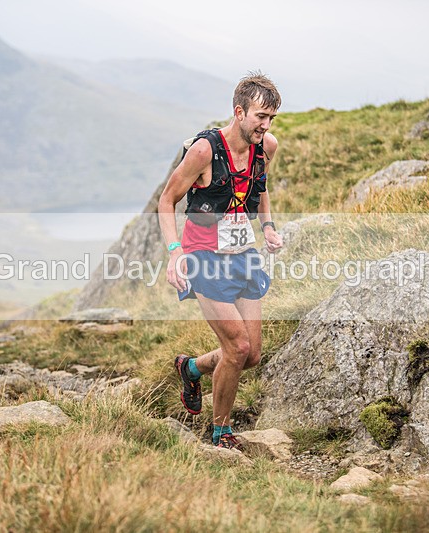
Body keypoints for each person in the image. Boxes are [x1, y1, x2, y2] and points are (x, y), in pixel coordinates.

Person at [158, 72, 283, 450]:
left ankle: (191, 368)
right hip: (204, 257)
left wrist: (269, 228)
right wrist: (174, 251)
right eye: (260, 116)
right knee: (237, 348)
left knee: (252, 355)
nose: (266, 125)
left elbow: (258, 189)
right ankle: (221, 432)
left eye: (271, 118)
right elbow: (166, 201)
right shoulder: (203, 151)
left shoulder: (267, 146)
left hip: (242, 254)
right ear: (239, 112)